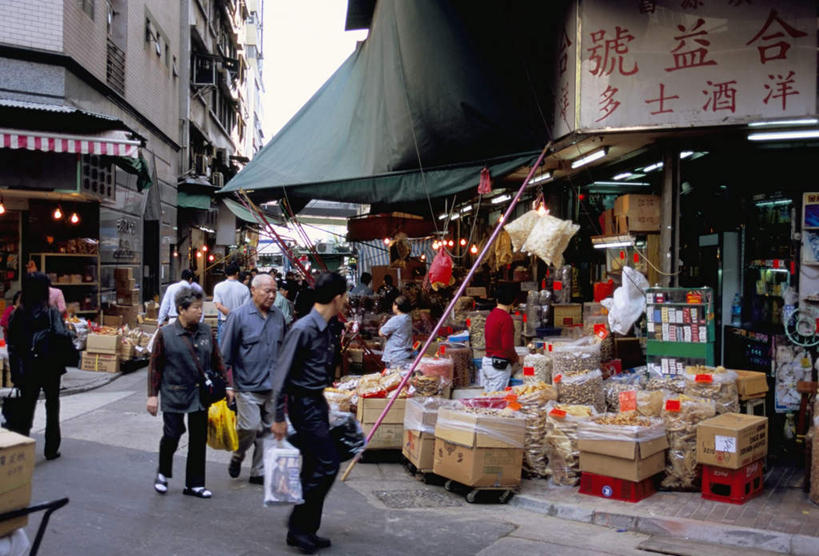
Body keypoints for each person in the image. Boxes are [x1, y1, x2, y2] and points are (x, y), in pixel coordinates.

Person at [271, 272, 347, 553]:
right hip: (303, 406)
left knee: (315, 466)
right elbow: (281, 374)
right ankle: (298, 524)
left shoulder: (325, 327)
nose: (346, 301)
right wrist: (278, 417)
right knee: (328, 465)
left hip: (316, 403)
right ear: (337, 298)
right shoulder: (303, 328)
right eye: (345, 296)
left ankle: (304, 530)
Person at [147, 286, 233, 498]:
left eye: (201, 307)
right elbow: (155, 366)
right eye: (195, 308)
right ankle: (163, 473)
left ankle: (195, 484)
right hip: (174, 392)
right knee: (172, 434)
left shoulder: (206, 332)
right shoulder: (166, 334)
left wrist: (227, 385)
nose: (200, 312)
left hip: (200, 394)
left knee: (198, 438)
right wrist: (152, 395)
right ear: (181, 309)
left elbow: (217, 359)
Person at [220, 274, 286, 485]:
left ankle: (258, 471)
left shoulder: (278, 317)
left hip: (272, 385)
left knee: (267, 431)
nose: (272, 295)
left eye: (274, 291)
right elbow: (225, 355)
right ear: (253, 290)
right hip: (247, 385)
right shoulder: (238, 316)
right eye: (267, 291)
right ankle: (239, 454)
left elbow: (284, 350)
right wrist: (227, 385)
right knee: (250, 427)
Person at [6, 273, 72, 459]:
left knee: (26, 408)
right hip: (50, 366)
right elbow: (62, 335)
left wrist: (15, 372)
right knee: (52, 406)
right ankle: (51, 448)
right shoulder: (51, 312)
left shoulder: (17, 314)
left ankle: (21, 447)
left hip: (27, 368)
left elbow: (12, 346)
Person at [482, 284, 519, 393]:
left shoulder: (491, 315)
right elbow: (507, 346)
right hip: (498, 366)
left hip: (487, 362)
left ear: (497, 299)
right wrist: (516, 359)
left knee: (489, 397)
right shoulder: (506, 318)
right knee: (497, 398)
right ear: (513, 302)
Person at [213, 262, 250, 343]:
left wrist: (230, 314)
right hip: (240, 322)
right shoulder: (244, 288)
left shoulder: (218, 287)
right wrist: (235, 316)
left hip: (224, 321)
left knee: (223, 347)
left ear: (226, 274)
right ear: (237, 273)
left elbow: (218, 305)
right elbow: (246, 308)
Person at [379, 295, 413, 368]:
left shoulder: (396, 319)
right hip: (405, 354)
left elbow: (381, 333)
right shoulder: (408, 318)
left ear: (396, 306)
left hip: (395, 356)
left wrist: (382, 322)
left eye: (393, 305)